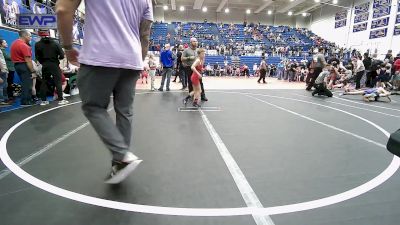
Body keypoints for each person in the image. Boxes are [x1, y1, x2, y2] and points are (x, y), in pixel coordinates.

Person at [56, 0, 153, 183]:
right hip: (132, 58)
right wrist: (138, 60)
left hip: (100, 55)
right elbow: (145, 34)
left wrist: (68, 48)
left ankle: (122, 156)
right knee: (125, 112)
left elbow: (62, 9)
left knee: (93, 107)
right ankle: (119, 162)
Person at [35, 30, 68, 105]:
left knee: (44, 82)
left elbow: (37, 56)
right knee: (58, 82)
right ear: (49, 34)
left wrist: (43, 62)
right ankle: (61, 99)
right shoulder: (55, 43)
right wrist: (56, 59)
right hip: (54, 64)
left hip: (45, 65)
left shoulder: (37, 44)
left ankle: (43, 101)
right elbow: (62, 55)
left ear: (40, 35)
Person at [10, 30, 36, 106]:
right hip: (24, 65)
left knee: (25, 83)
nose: (31, 38)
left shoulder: (14, 43)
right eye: (30, 36)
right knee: (27, 84)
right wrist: (33, 71)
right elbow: (28, 60)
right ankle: (25, 101)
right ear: (25, 36)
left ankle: (26, 100)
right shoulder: (24, 46)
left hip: (17, 66)